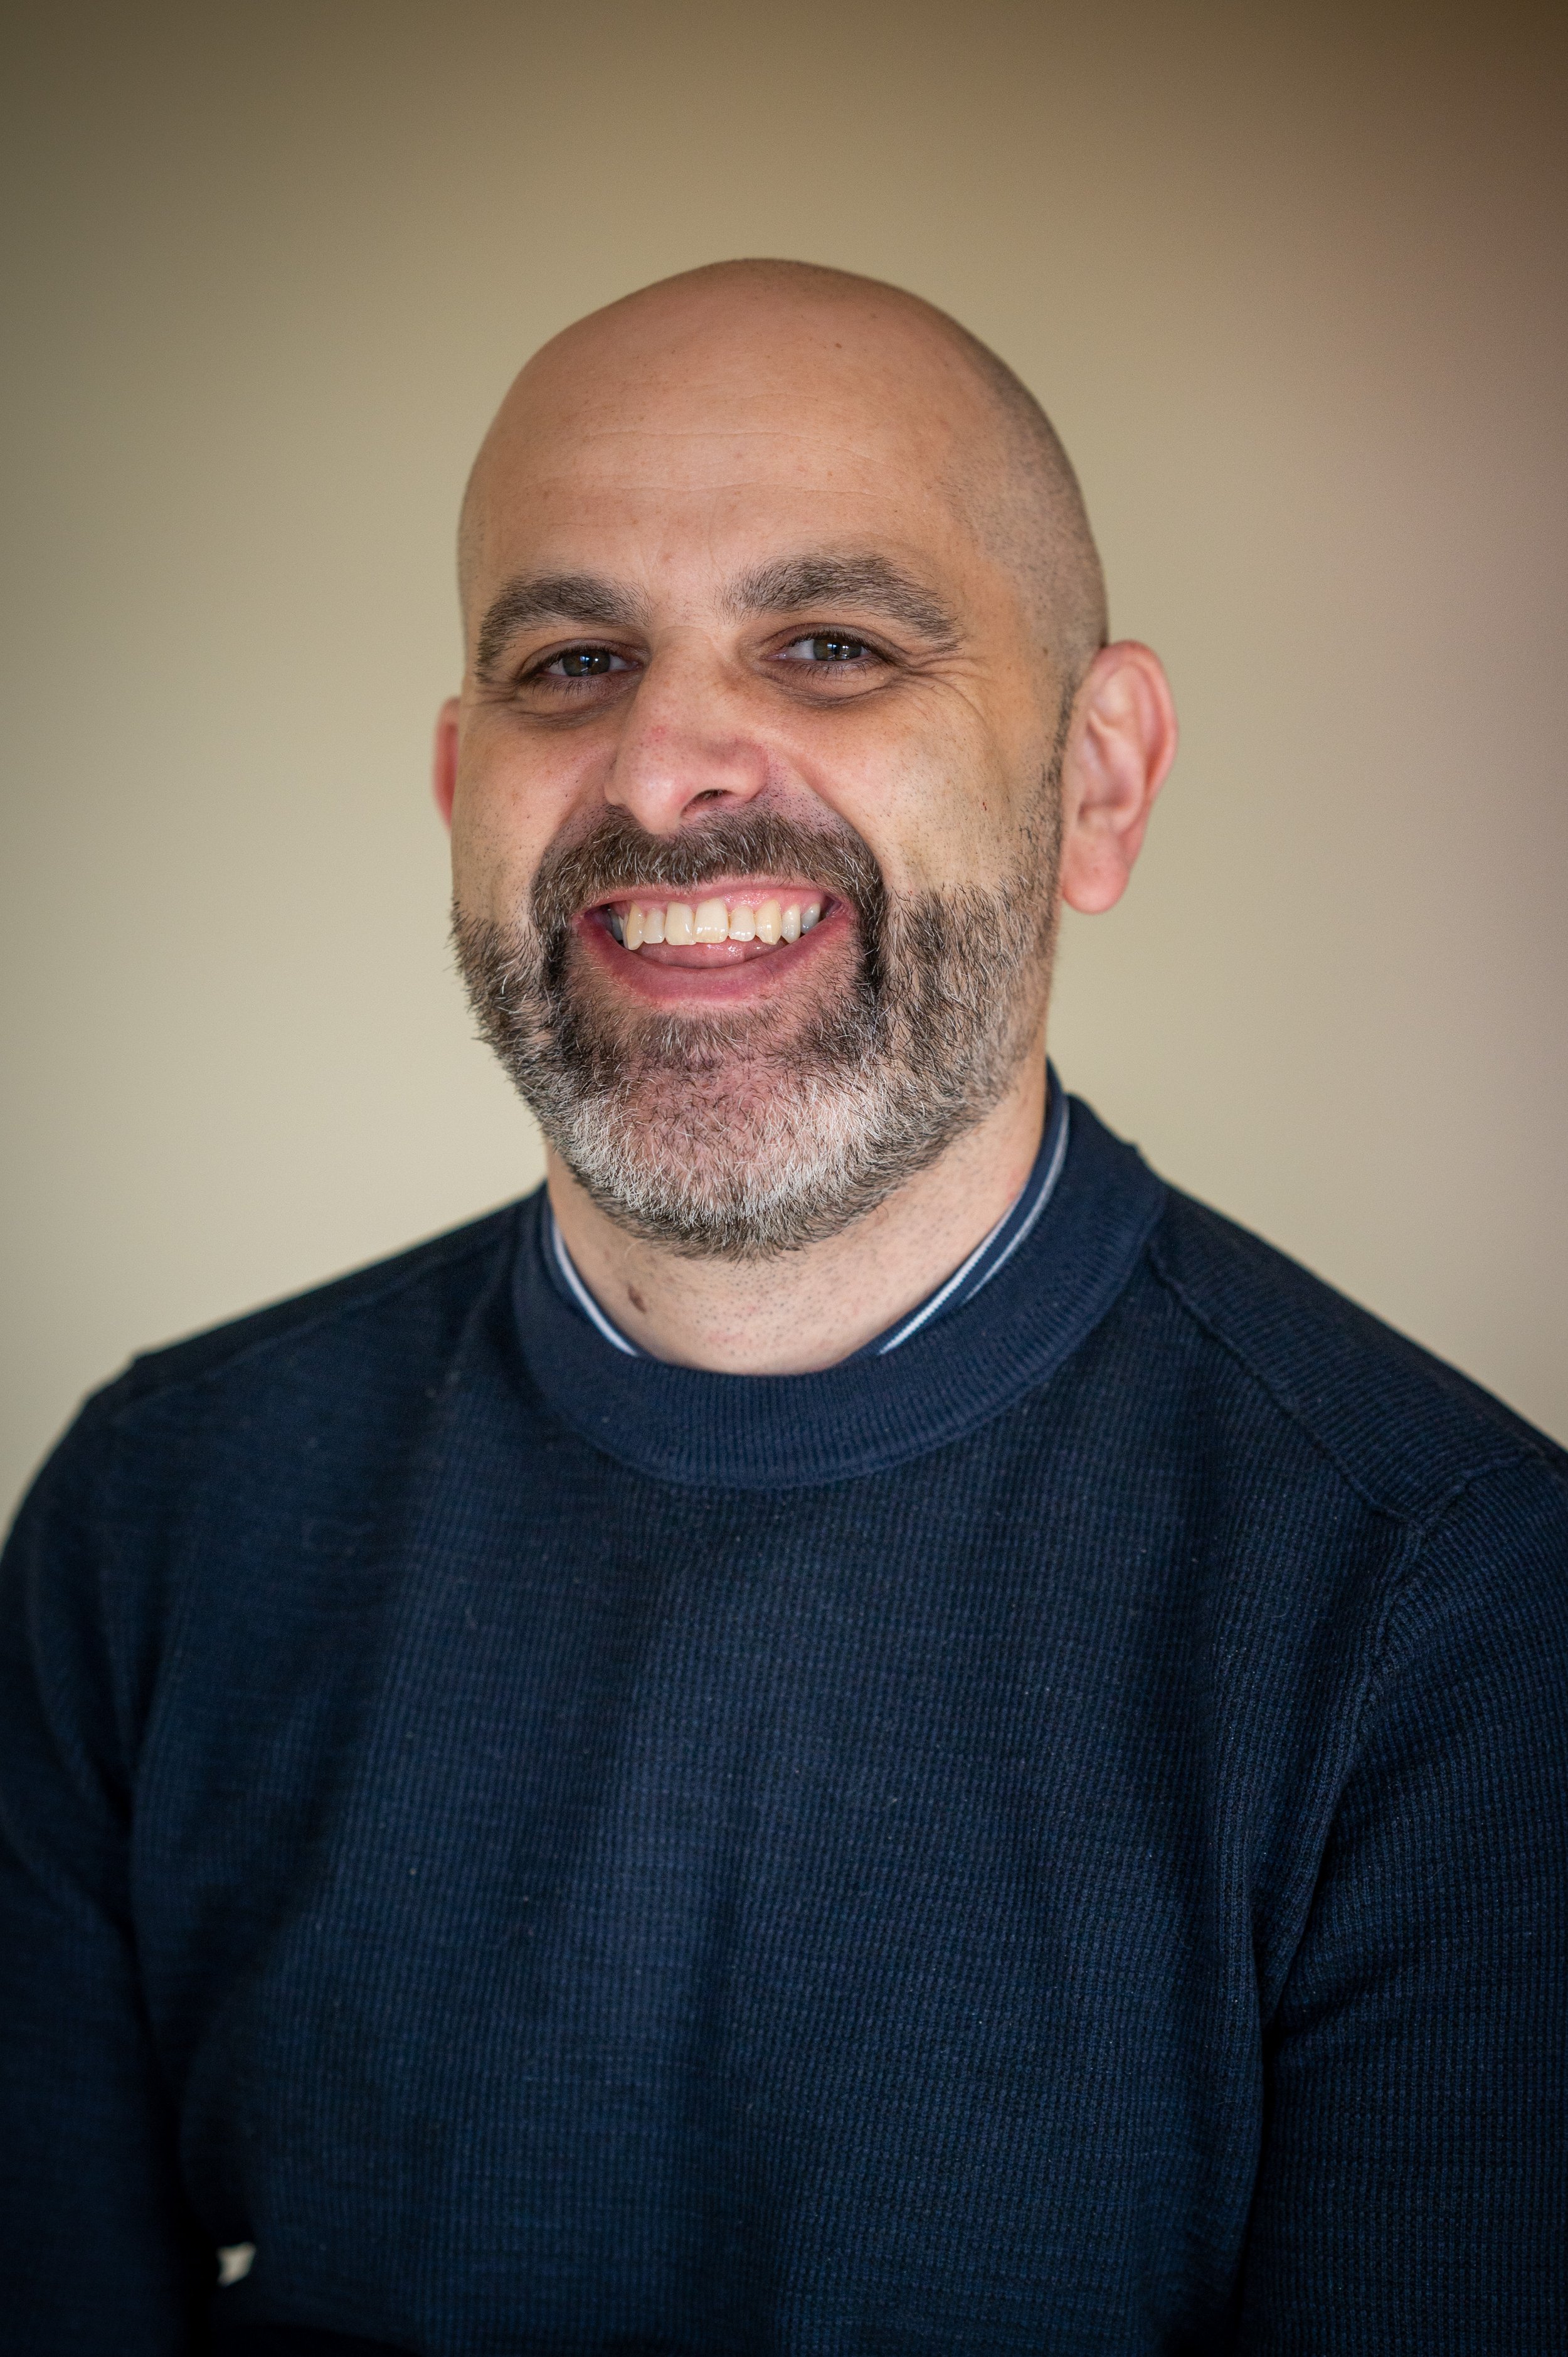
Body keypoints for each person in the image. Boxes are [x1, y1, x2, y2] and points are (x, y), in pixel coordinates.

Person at [1, 260, 1563, 2357]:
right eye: (571, 661)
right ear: (458, 780)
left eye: (828, 645)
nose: (663, 771)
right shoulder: (159, 1510)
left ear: (1097, 778)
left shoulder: (1448, 1615)